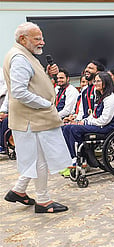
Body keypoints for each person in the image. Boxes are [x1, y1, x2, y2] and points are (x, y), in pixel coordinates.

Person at [3, 22, 71, 213]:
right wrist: (46, 104)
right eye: (37, 38)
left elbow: (32, 82)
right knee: (40, 160)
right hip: (32, 120)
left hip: (32, 119)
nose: (42, 42)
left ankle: (19, 191)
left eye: (41, 37)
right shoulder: (19, 58)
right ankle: (43, 201)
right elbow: (19, 92)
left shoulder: (25, 55)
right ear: (23, 39)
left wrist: (46, 74)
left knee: (34, 159)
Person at [61, 71, 114, 161]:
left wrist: (85, 122)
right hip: (100, 125)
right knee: (66, 128)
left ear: (105, 83)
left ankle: (80, 157)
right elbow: (93, 115)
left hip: (108, 127)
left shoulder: (111, 98)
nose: (95, 84)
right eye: (95, 81)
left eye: (98, 81)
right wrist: (80, 121)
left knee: (74, 129)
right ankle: (71, 156)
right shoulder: (101, 97)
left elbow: (104, 120)